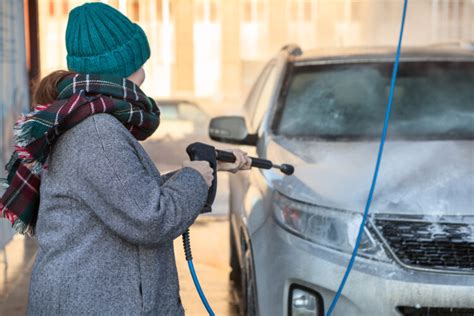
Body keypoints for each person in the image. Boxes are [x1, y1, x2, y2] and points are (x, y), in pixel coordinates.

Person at [0, 2, 251, 315]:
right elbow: (150, 218)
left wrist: (208, 168)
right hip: (94, 304)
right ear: (122, 65)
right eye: (140, 60)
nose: (145, 71)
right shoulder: (98, 132)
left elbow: (126, 195)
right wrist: (194, 178)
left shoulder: (88, 119)